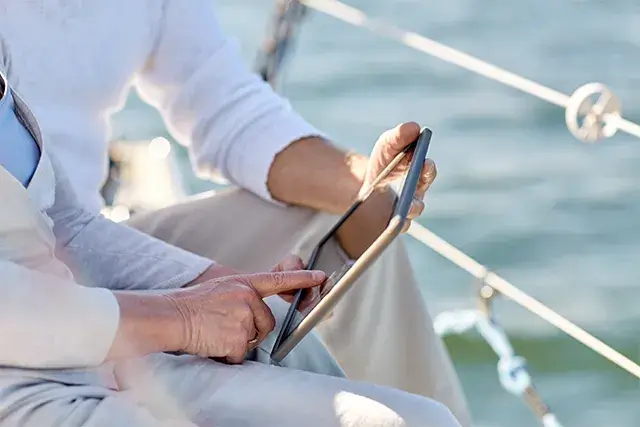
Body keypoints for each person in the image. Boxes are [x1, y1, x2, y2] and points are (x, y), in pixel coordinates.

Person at [0, 2, 470, 424]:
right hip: (30, 324)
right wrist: (181, 317)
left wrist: (364, 181)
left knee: (342, 222)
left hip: (74, 246)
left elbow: (219, 102)